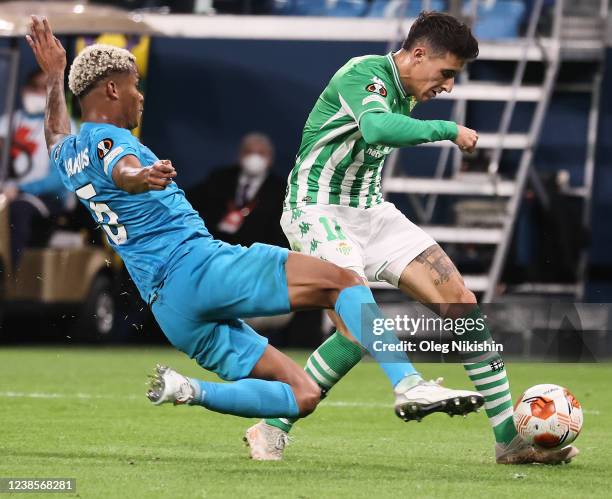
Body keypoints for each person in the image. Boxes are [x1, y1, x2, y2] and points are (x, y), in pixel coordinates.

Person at [26, 16, 483, 441]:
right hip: (197, 267)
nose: (140, 97)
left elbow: (53, 133)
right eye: (134, 87)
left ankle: (187, 390)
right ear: (110, 90)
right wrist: (140, 176)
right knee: (344, 281)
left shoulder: (70, 155)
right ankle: (408, 383)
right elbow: (122, 166)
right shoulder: (112, 139)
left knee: (301, 396)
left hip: (170, 308)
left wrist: (53, 75)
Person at [246, 12, 579, 465]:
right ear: (418, 54)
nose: (448, 87)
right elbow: (377, 129)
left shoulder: (408, 88)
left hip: (372, 212)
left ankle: (508, 439)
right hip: (317, 208)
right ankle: (406, 384)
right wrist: (447, 129)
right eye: (446, 73)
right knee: (357, 307)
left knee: (458, 303)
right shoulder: (364, 73)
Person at [0, 69, 75, 269]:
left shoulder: (63, 129)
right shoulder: (8, 123)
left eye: (46, 89)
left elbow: (59, 179)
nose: (39, 93)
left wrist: (22, 189)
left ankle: (10, 279)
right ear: (25, 89)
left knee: (18, 212)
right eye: (35, 87)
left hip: (45, 200)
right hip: (7, 193)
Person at [187, 132, 286, 248]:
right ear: (240, 155)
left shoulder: (280, 190)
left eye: (261, 153)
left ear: (270, 159)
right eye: (249, 152)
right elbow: (188, 201)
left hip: (255, 255)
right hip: (214, 248)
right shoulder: (220, 178)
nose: (254, 158)